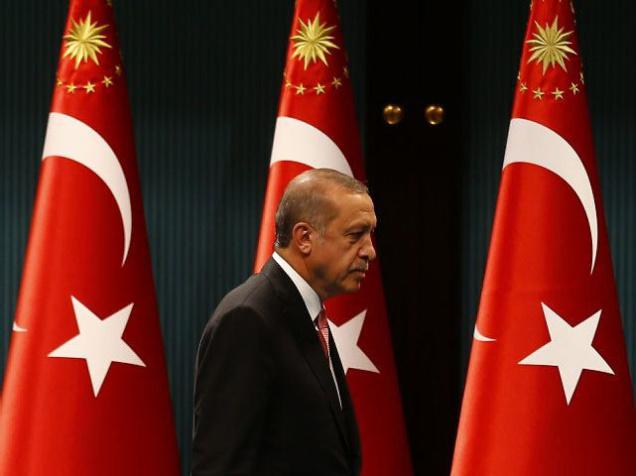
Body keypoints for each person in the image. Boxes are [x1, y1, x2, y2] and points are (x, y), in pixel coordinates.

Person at [191, 168, 377, 475]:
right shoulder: (248, 318)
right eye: (355, 235)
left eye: (370, 235)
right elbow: (222, 466)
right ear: (304, 238)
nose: (369, 251)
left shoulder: (307, 315)